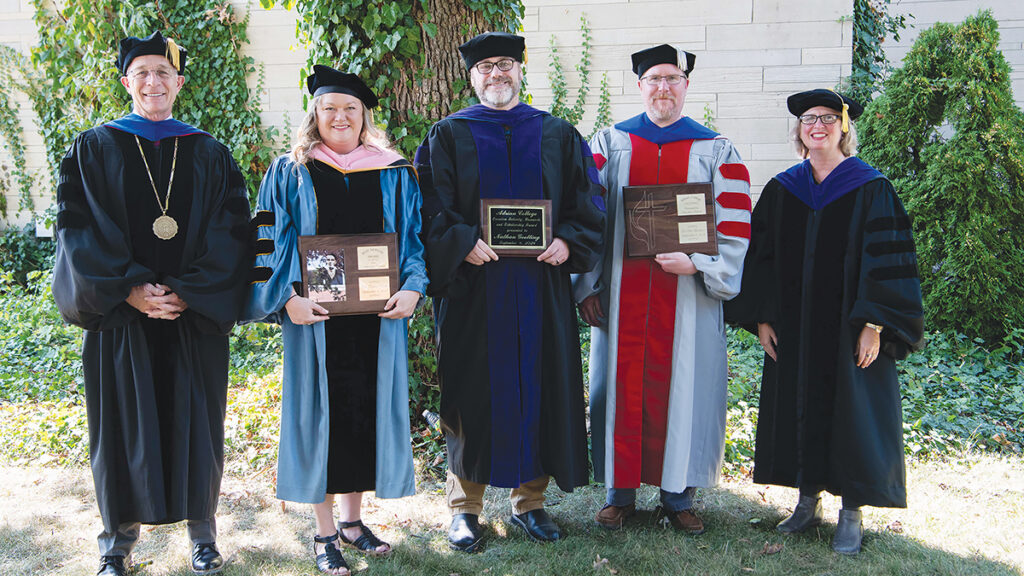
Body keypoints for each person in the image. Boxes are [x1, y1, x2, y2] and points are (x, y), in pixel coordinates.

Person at [51, 31, 251, 576]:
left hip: (192, 317)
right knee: (118, 429)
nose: (153, 82)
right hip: (123, 318)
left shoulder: (210, 152)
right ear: (126, 82)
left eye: (163, 72)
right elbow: (78, 232)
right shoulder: (92, 149)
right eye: (142, 72)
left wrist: (188, 291)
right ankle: (116, 543)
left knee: (199, 427)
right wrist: (131, 291)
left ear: (179, 82)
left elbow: (232, 232)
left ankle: (203, 538)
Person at [415, 31, 605, 552]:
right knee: (470, 393)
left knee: (540, 386)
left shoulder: (559, 134)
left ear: (520, 70)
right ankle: (464, 508)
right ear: (471, 76)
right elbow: (427, 205)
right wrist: (460, 242)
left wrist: (569, 241)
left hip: (539, 287)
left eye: (505, 65)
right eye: (485, 67)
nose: (496, 74)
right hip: (474, 288)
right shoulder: (447, 135)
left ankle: (530, 503)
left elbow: (589, 201)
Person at [243, 65, 427, 575]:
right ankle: (324, 533)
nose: (340, 116)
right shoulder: (289, 171)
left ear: (363, 115)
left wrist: (413, 287)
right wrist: (285, 300)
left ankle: (351, 522)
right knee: (318, 418)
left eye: (350, 108)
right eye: (330, 108)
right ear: (315, 114)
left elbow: (413, 240)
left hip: (376, 320)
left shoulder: (393, 172)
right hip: (315, 321)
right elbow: (263, 245)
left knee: (360, 415)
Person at [725, 89, 924, 554]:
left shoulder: (871, 187)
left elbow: (888, 260)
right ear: (798, 130)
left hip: (849, 329)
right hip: (794, 328)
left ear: (844, 126)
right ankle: (806, 500)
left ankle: (851, 512)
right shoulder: (782, 189)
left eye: (829, 118)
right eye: (809, 119)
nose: (818, 126)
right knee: (798, 406)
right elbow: (763, 259)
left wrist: (875, 322)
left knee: (852, 413)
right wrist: (762, 319)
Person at [573, 44, 752, 534]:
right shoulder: (609, 144)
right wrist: (587, 285)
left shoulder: (717, 150)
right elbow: (587, 217)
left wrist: (696, 263)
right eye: (654, 78)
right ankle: (619, 493)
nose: (663, 87)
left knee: (686, 390)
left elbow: (734, 227)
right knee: (618, 389)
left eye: (672, 78)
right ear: (640, 85)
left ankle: (678, 496)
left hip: (687, 300)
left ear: (686, 85)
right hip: (621, 296)